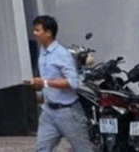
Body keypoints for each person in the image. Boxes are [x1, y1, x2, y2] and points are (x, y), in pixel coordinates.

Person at [28, 15, 94, 152]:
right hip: (48, 112)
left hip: (68, 112)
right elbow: (44, 83)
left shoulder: (62, 54)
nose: (34, 33)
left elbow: (73, 82)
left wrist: (45, 82)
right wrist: (40, 97)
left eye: (37, 30)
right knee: (41, 149)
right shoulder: (42, 52)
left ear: (48, 32)